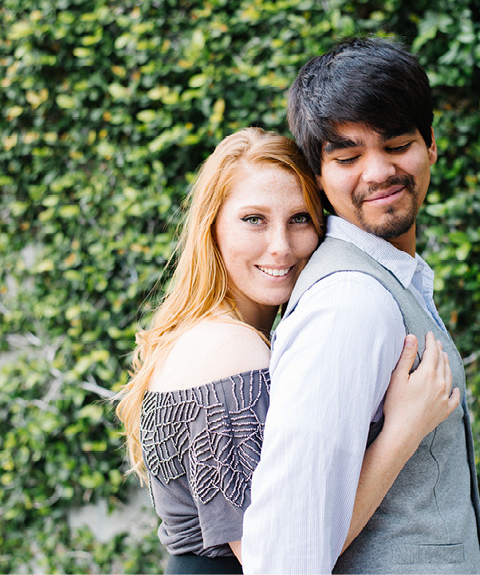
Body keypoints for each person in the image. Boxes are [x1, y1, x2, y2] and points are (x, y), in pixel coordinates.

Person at [115, 127, 461, 573]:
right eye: (253, 219)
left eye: (299, 219)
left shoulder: (223, 336)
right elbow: (279, 558)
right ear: (211, 226)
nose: (280, 246)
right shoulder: (226, 349)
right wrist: (404, 431)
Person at [241, 38, 480, 574]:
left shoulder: (388, 282)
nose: (377, 172)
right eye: (348, 156)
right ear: (318, 175)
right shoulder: (350, 303)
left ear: (431, 148)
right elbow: (285, 553)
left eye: (397, 144)